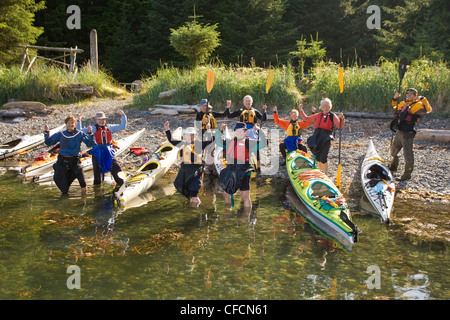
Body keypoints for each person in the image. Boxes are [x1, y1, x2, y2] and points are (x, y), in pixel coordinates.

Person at [215, 122, 267, 208]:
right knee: (226, 194)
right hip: (231, 170)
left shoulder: (248, 143)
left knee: (245, 197)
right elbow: (218, 141)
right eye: (238, 131)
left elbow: (264, 143)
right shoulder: (229, 142)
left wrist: (259, 131)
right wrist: (220, 130)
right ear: (234, 132)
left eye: (242, 131)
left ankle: (246, 217)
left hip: (244, 172)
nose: (240, 133)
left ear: (245, 132)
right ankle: (227, 215)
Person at [164, 121, 213, 205]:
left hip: (195, 171)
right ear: (185, 136)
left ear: (194, 136)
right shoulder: (182, 143)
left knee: (194, 194)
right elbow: (171, 140)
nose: (190, 137)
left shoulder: (199, 144)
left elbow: (210, 141)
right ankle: (189, 201)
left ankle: (195, 213)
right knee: (180, 186)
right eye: (188, 135)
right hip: (185, 170)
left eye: (192, 135)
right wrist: (167, 129)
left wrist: (208, 130)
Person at [44, 115, 95, 194]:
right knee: (64, 188)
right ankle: (64, 202)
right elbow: (48, 142)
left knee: (83, 184)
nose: (70, 125)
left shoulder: (80, 134)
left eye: (72, 123)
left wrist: (90, 134)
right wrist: (47, 132)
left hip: (75, 162)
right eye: (69, 123)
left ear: (75, 124)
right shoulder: (61, 134)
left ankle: (84, 200)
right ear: (66, 124)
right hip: (62, 162)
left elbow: (90, 144)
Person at [389, 88, 432, 180]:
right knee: (394, 150)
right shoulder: (403, 103)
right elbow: (395, 108)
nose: (409, 96)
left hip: (408, 132)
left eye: (411, 94)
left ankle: (407, 174)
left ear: (415, 96)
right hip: (400, 130)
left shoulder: (418, 105)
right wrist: (395, 99)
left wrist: (424, 99)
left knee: (407, 153)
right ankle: (393, 167)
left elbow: (428, 110)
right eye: (408, 94)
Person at [78, 110, 127, 187]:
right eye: (99, 119)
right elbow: (79, 131)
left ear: (105, 120)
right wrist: (79, 121)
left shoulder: (110, 127)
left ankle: (121, 183)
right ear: (96, 120)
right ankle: (97, 190)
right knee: (97, 172)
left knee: (116, 167)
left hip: (109, 152)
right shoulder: (92, 128)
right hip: (97, 153)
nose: (101, 121)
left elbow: (122, 126)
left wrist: (123, 115)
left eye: (103, 119)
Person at [299, 98, 345, 176]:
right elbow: (307, 119)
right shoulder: (318, 115)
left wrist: (342, 118)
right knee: (318, 157)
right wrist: (301, 110)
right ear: (321, 106)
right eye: (324, 105)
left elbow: (339, 126)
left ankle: (325, 175)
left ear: (330, 106)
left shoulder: (332, 116)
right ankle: (321, 172)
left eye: (327, 105)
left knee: (323, 158)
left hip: (326, 137)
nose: (325, 107)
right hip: (317, 136)